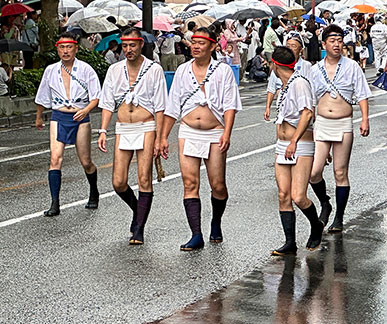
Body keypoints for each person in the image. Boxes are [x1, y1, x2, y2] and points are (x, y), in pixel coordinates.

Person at [159, 27, 242, 251]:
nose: (195, 46)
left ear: (213, 46)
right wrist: (163, 137)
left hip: (214, 131)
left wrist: (227, 133)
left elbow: (230, 106)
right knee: (190, 183)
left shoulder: (222, 70)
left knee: (217, 185)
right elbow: (172, 106)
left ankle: (216, 221)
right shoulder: (183, 70)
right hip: (188, 130)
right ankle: (196, 233)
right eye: (193, 42)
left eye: (201, 42)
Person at [97, 28, 167, 244]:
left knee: (144, 178)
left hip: (146, 125)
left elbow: (161, 106)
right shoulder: (115, 70)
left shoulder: (154, 69)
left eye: (132, 45)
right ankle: (139, 210)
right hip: (123, 127)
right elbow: (107, 102)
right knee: (118, 181)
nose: (128, 50)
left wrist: (159, 137)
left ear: (140, 45)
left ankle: (139, 229)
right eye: (125, 46)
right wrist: (102, 130)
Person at [308, 24, 371, 234]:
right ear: (324, 44)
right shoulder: (315, 69)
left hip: (343, 123)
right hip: (322, 123)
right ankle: (325, 202)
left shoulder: (352, 66)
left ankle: (339, 218)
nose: (337, 44)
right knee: (314, 172)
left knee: (340, 172)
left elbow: (362, 94)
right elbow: (309, 100)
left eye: (339, 40)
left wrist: (364, 119)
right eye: (332, 41)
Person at [34, 32, 101, 217]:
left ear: (76, 49)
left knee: (86, 161)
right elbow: (42, 96)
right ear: (57, 49)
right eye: (62, 47)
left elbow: (96, 96)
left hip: (80, 117)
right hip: (59, 116)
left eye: (69, 47)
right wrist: (39, 116)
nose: (65, 51)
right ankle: (55, 203)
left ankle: (94, 191)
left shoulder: (86, 69)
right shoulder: (51, 70)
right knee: (55, 159)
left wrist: (86, 110)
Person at [268, 47, 323, 255]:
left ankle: (316, 225)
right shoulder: (285, 85)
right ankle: (289, 242)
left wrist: (294, 141)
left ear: (275, 65)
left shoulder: (299, 83)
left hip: (299, 145)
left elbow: (307, 113)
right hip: (283, 145)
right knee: (283, 194)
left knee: (298, 196)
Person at [265, 33, 312, 122]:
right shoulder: (278, 65)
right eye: (287, 46)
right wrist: (268, 107)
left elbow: (311, 91)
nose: (290, 48)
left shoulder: (305, 70)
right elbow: (271, 88)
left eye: (293, 46)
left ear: (301, 49)